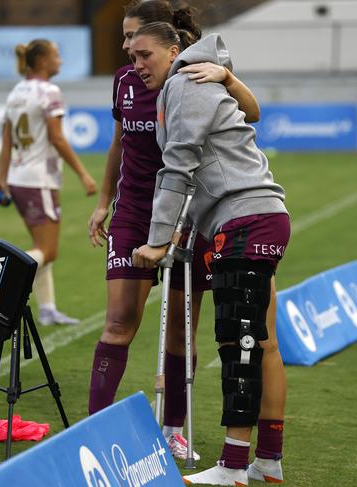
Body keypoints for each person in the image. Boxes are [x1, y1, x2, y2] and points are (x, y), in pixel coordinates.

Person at [86, 0, 263, 461]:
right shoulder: (127, 81)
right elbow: (119, 144)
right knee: (119, 320)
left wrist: (227, 77)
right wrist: (103, 203)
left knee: (181, 331)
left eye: (136, 41)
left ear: (166, 42)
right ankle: (91, 428)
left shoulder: (196, 77)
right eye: (126, 42)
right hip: (134, 213)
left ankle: (173, 429)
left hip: (191, 215)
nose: (128, 50)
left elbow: (251, 114)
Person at [131, 23, 290, 485]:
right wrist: (183, 230)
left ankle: (234, 468)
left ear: (174, 50)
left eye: (144, 54)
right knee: (253, 343)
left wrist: (158, 240)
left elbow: (179, 166)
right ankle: (266, 462)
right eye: (131, 56)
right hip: (251, 216)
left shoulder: (185, 83)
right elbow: (201, 167)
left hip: (245, 218)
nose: (137, 65)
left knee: (237, 344)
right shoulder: (190, 81)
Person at [0, 39, 96, 326]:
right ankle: (1, 277)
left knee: (41, 246)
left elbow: (6, 139)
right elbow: (57, 137)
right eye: (56, 55)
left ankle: (48, 309)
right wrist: (83, 174)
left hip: (18, 178)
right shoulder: (49, 91)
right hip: (39, 180)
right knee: (48, 250)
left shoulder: (16, 92)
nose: (60, 61)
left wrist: (2, 177)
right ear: (41, 61)